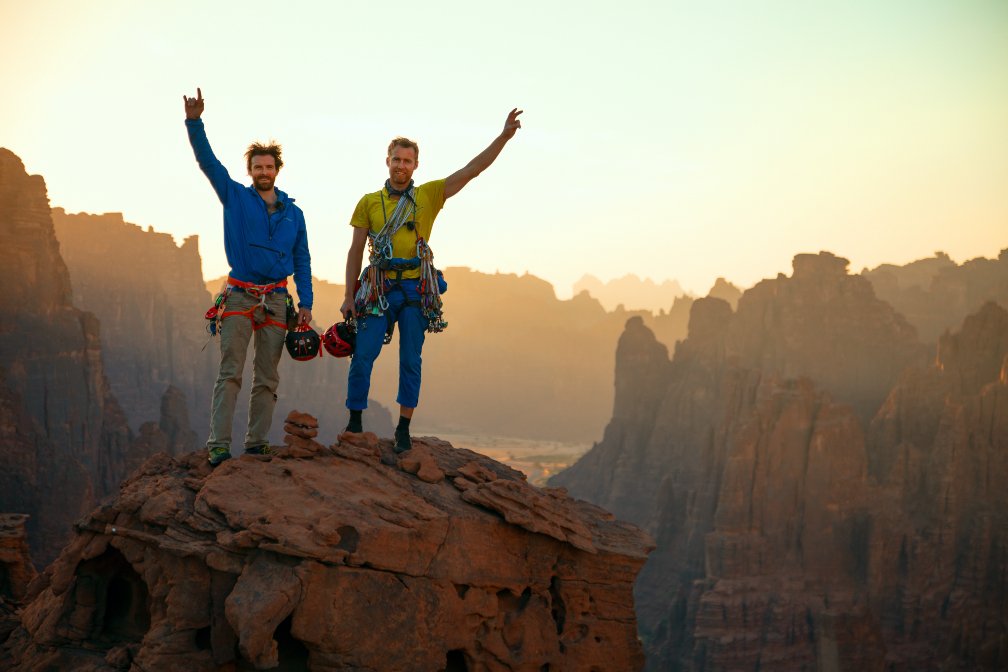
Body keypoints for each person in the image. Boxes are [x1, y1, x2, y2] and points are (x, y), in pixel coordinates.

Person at [341, 108, 523, 453]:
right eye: (396, 159)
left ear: (416, 165)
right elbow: (354, 251)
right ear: (387, 161)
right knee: (362, 354)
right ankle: (354, 422)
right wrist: (349, 296)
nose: (401, 165)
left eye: (407, 161)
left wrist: (502, 137)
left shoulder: (428, 195)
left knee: (411, 359)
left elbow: (473, 170)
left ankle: (404, 429)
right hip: (378, 287)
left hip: (414, 288)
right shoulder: (368, 203)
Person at [183, 88, 313, 466]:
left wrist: (306, 302)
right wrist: (195, 122)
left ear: (277, 170)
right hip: (240, 295)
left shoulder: (294, 214)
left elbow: (302, 258)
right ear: (250, 171)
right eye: (257, 167)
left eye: (269, 167)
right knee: (230, 373)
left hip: (276, 297)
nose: (263, 172)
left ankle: (256, 443)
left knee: (267, 376)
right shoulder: (235, 197)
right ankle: (218, 445)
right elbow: (208, 163)